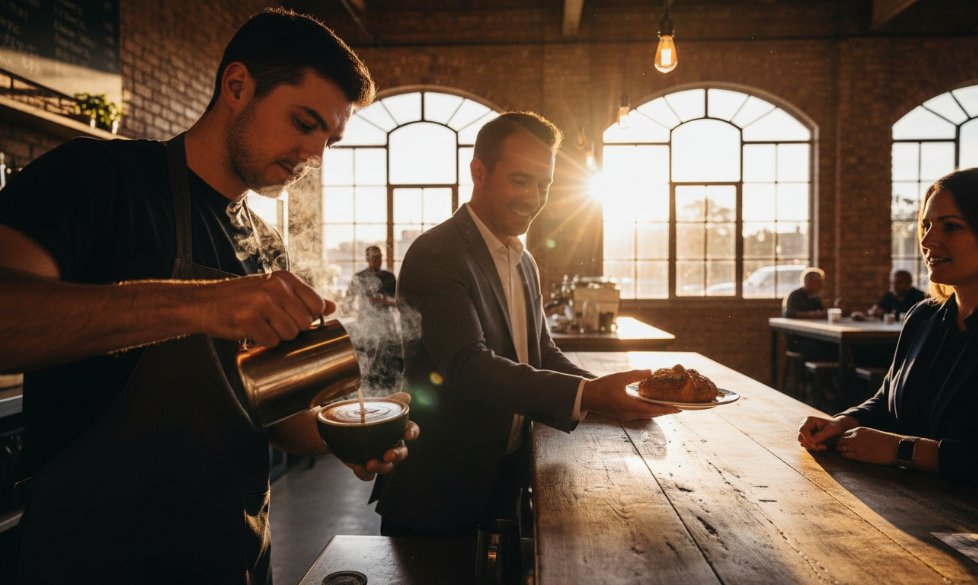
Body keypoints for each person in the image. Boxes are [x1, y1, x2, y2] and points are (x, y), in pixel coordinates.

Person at [0, 9, 418, 583]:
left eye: (329, 138)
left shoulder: (265, 244)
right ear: (238, 86)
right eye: (304, 122)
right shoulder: (98, 179)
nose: (315, 154)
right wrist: (202, 303)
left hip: (234, 557)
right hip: (96, 560)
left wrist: (344, 435)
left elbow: (275, 411)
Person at [371, 112, 679, 536]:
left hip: (506, 477)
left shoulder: (524, 260)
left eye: (544, 185)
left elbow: (542, 352)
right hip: (439, 490)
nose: (534, 198)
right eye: (520, 180)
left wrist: (612, 395)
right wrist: (590, 394)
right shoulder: (436, 253)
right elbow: (467, 368)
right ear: (479, 172)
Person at [798, 166, 978, 496]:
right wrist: (842, 422)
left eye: (951, 227)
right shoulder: (924, 317)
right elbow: (887, 401)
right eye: (927, 225)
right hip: (910, 507)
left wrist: (903, 450)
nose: (928, 240)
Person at [346, 245, 402, 390]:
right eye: (375, 258)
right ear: (367, 259)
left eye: (380, 257)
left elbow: (398, 302)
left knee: (389, 357)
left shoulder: (389, 277)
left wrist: (384, 300)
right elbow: (348, 302)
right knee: (369, 357)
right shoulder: (359, 277)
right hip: (366, 323)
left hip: (388, 324)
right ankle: (369, 387)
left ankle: (389, 387)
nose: (378, 261)